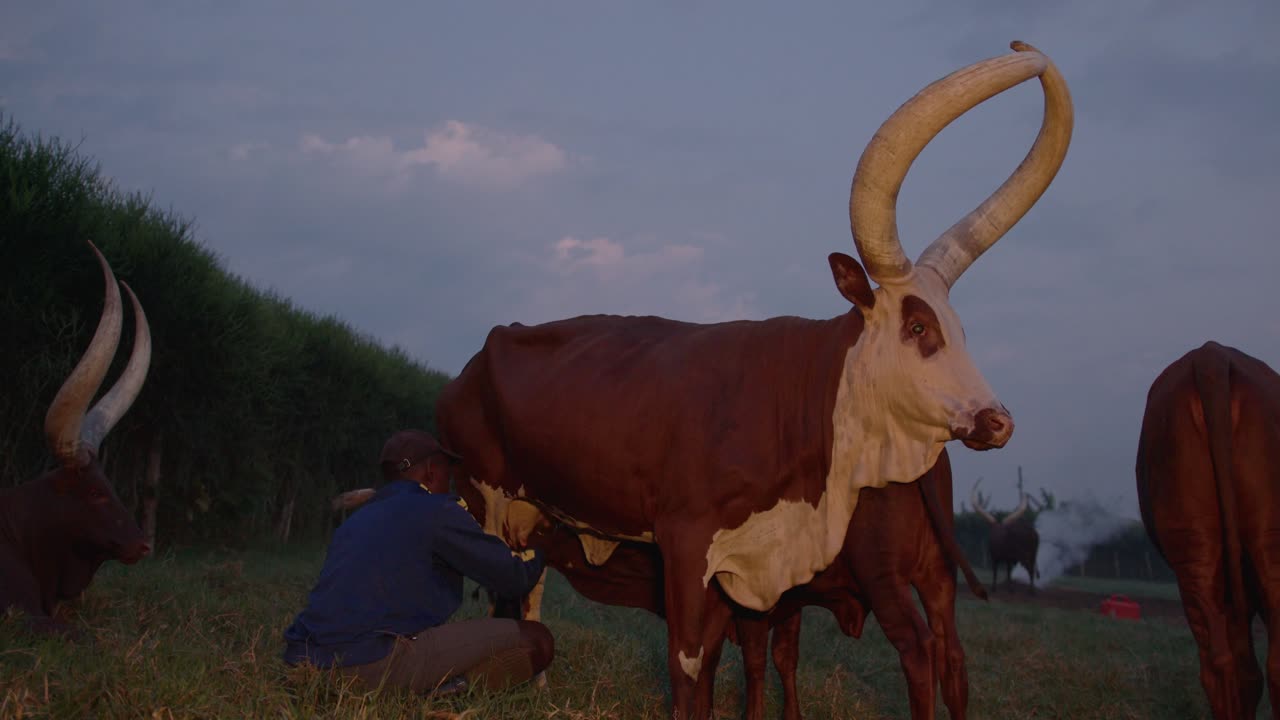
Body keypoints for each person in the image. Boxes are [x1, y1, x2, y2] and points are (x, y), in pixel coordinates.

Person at [283, 429, 553, 695]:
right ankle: (441, 693)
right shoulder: (437, 510)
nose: (451, 479)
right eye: (449, 469)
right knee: (537, 641)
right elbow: (514, 577)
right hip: (365, 664)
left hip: (301, 661)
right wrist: (541, 546)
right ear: (432, 470)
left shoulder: (357, 520)